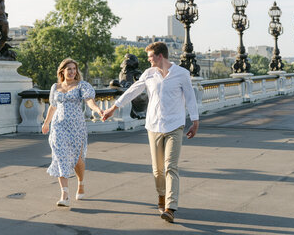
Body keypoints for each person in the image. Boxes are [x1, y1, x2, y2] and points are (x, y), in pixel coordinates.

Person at [102, 42, 199, 223]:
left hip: (175, 125)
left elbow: (191, 98)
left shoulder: (182, 74)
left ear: (160, 56)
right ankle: (161, 196)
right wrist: (113, 108)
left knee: (171, 166)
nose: (148, 60)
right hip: (154, 125)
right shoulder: (149, 74)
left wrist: (195, 121)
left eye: (150, 57)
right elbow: (132, 91)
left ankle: (170, 207)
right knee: (157, 170)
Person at [42, 58, 103, 207]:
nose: (72, 72)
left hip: (76, 127)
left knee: (77, 160)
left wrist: (97, 110)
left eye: (74, 69)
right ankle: (65, 195)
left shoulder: (81, 85)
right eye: (69, 69)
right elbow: (52, 106)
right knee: (60, 157)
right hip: (58, 127)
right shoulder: (55, 87)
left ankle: (81, 183)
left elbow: (89, 101)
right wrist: (46, 123)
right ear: (62, 71)